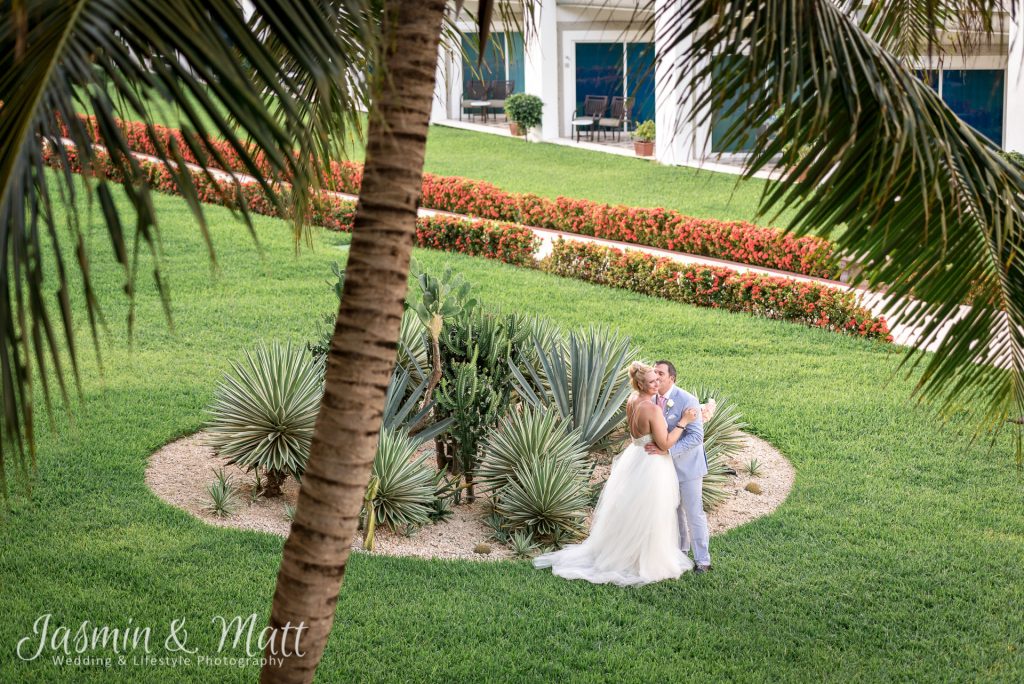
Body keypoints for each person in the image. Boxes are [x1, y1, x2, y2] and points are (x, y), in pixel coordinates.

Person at [532, 361, 697, 586]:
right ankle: (645, 560)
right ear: (641, 383)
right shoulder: (652, 409)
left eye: (658, 379)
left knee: (631, 510)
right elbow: (666, 444)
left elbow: (636, 434)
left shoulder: (632, 400)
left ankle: (623, 552)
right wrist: (684, 422)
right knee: (652, 511)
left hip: (636, 456)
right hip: (652, 464)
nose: (657, 383)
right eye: (651, 381)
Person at [645, 360, 712, 573]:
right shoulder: (651, 399)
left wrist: (669, 451)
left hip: (688, 468)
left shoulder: (687, 400)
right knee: (674, 512)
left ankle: (703, 560)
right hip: (664, 470)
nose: (656, 376)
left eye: (660, 373)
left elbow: (696, 437)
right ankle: (680, 553)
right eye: (654, 372)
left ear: (671, 378)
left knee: (694, 513)